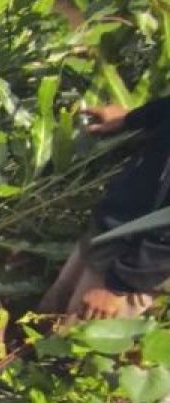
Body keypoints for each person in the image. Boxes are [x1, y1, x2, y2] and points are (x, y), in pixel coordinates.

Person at [39, 96, 170, 319]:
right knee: (47, 318)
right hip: (113, 229)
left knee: (72, 343)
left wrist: (120, 285)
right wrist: (131, 118)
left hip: (138, 260)